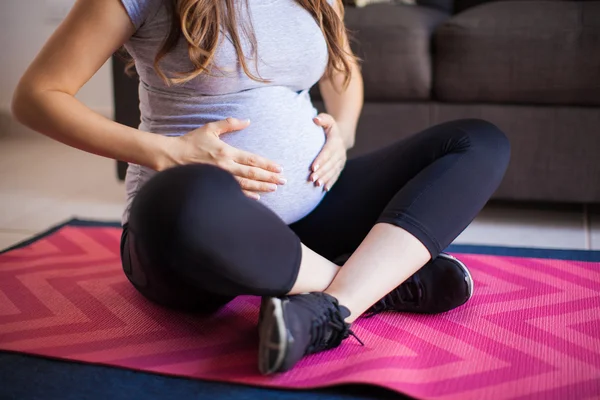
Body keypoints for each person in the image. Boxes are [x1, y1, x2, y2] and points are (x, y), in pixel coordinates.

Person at [12, 0, 510, 375]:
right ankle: (380, 283)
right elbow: (37, 96)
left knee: (478, 143)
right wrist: (171, 152)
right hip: (189, 230)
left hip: (314, 214)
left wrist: (344, 132)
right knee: (177, 202)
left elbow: (342, 70)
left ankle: (332, 307)